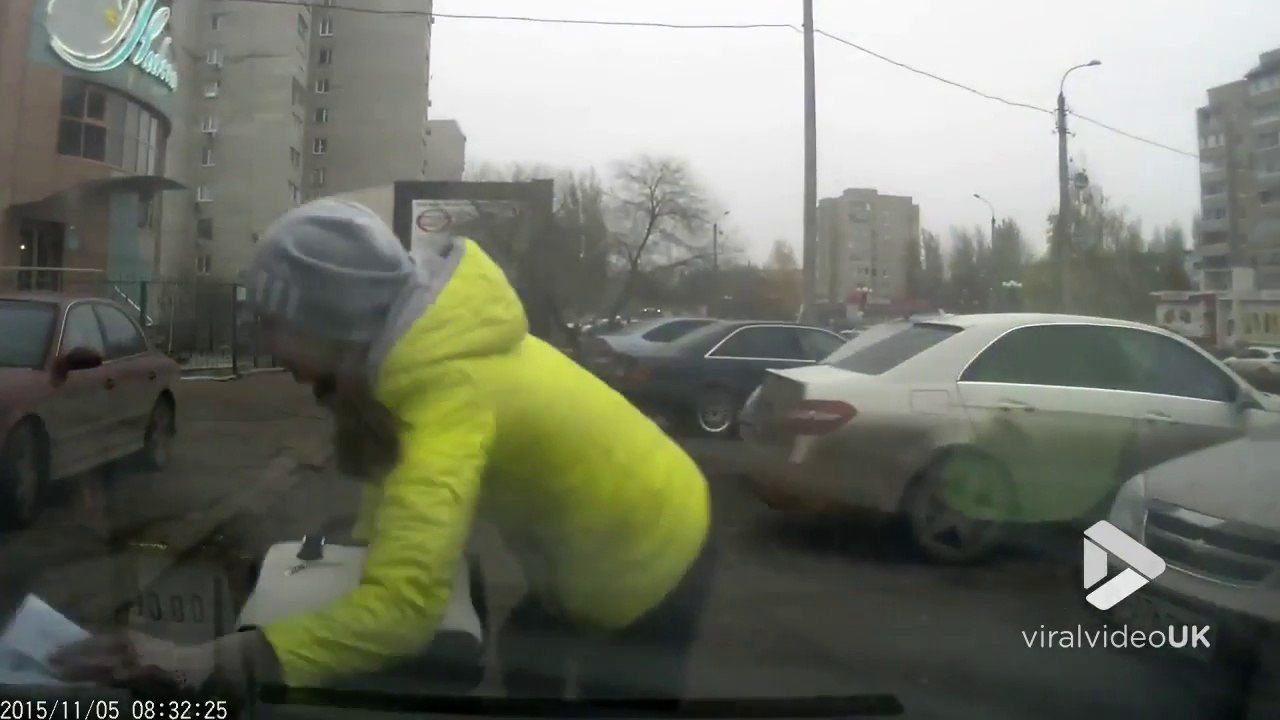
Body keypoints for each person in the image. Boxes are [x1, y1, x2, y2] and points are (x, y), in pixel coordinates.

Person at [51, 198, 715, 701]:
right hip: (594, 552)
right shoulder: (423, 355)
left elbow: (405, 610)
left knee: (595, 695)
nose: (269, 348)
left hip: (655, 562)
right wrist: (365, 556)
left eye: (274, 323)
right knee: (526, 662)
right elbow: (392, 501)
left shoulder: (446, 397)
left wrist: (205, 663)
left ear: (332, 324)